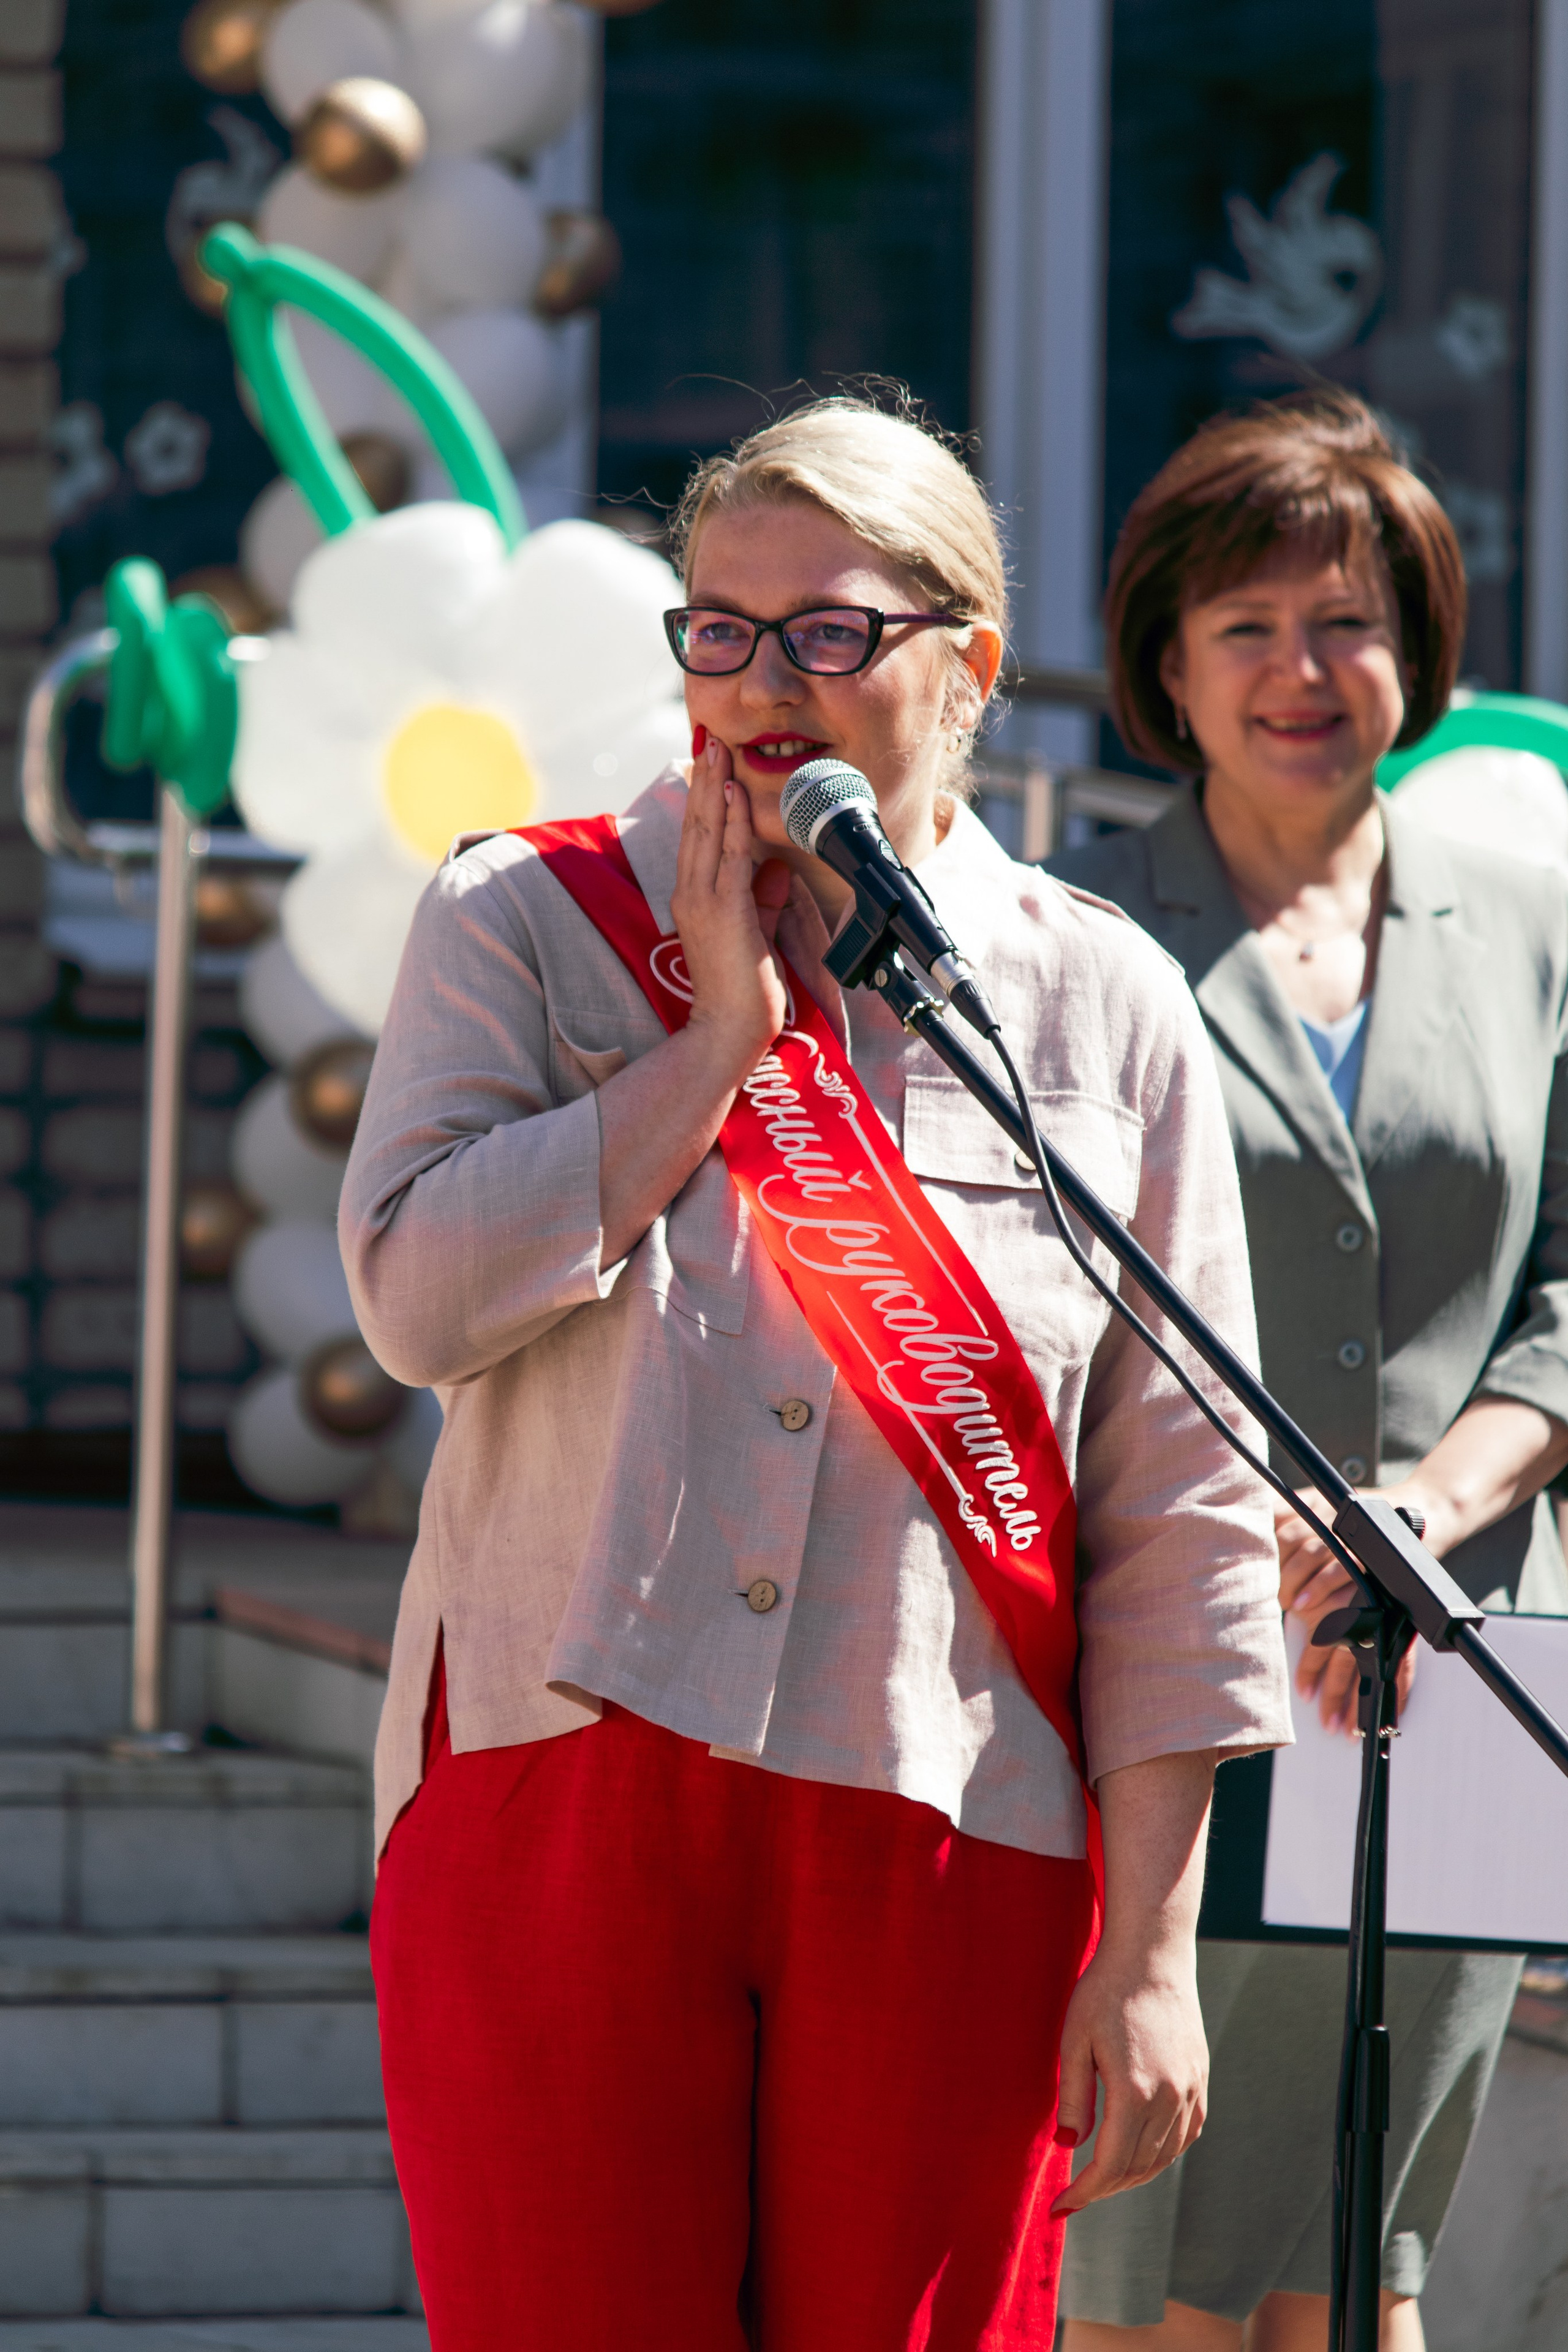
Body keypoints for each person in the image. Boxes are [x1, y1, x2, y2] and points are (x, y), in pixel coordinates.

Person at [342, 395, 1294, 2352]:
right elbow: (416, 1307)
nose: (764, 685)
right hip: (561, 1790)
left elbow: (1186, 1503)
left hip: (947, 1823)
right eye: (720, 628)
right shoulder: (522, 922)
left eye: (832, 633)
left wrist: (1155, 1951)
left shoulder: (1101, 999)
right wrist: (701, 1061)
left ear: (972, 664)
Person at [1050, 388, 1568, 2352]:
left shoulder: (1539, 926)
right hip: (1181, 1651)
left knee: (1368, 2269)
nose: (1301, 669)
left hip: (1461, 1655)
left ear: (1418, 652)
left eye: (1346, 619)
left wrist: (1437, 1501)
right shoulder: (1076, 937)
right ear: (1168, 665)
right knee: (1149, 2271)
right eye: (1247, 626)